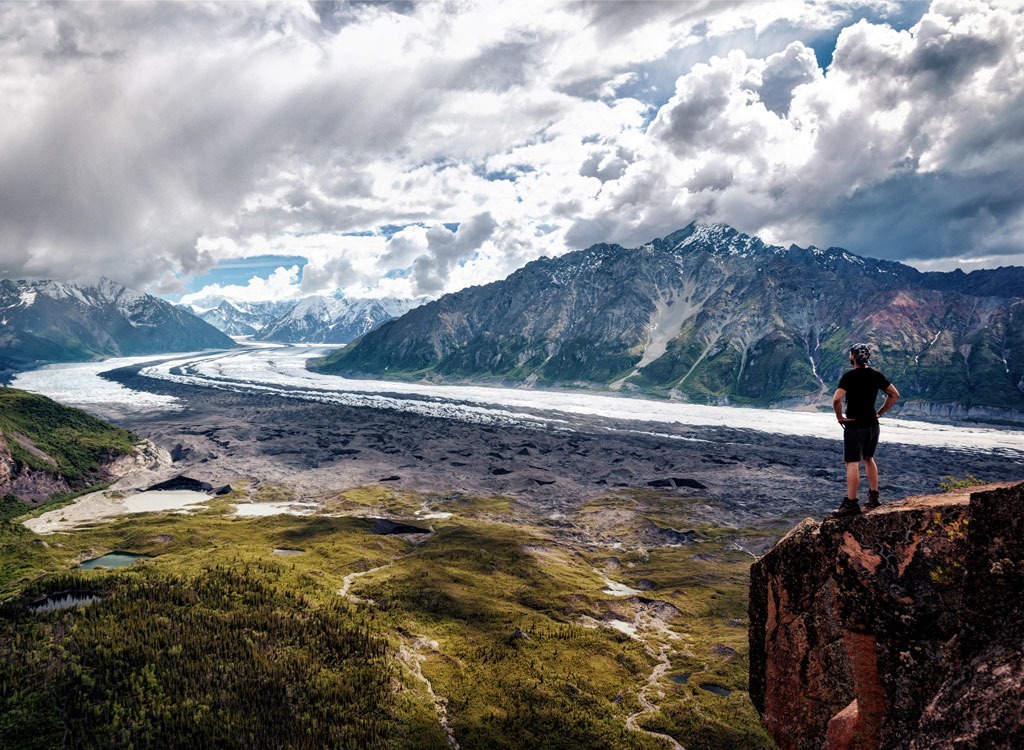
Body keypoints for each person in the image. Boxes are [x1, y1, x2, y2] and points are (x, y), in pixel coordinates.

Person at [831, 343, 899, 517]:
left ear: (853, 356)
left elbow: (837, 400)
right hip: (872, 424)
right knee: (869, 458)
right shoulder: (876, 376)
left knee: (852, 463)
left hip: (855, 425)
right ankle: (874, 497)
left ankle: (852, 503)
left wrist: (840, 417)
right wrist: (880, 413)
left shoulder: (849, 377)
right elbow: (894, 394)